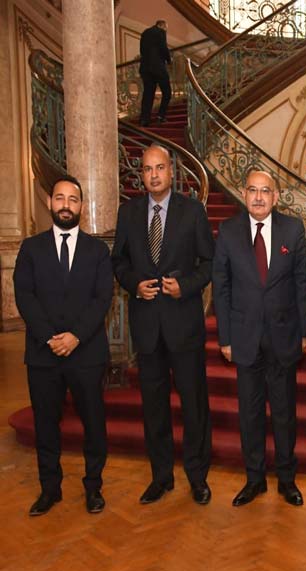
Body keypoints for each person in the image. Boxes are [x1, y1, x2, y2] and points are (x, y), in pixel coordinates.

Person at [111, 144, 214, 506]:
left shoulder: (193, 211)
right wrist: (132, 284)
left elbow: (209, 263)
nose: (154, 175)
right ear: (141, 175)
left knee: (193, 406)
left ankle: (198, 477)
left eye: (160, 168)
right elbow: (118, 262)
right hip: (147, 328)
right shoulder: (128, 213)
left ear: (172, 172)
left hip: (184, 325)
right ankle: (161, 477)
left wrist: (184, 286)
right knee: (153, 406)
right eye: (147, 170)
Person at [13, 175, 114, 516]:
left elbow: (103, 298)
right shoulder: (31, 248)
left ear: (81, 206)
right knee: (45, 424)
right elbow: (24, 296)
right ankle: (50, 489)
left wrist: (75, 337)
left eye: (73, 199)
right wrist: (49, 338)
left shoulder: (98, 251)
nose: (66, 205)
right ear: (50, 202)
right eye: (60, 198)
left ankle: (93, 488)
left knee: (94, 424)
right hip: (43, 354)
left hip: (86, 352)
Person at [212, 170, 306, 507]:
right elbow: (221, 288)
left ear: (276, 195)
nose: (258, 196)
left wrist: (303, 332)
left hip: (284, 337)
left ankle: (287, 479)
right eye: (252, 190)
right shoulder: (227, 232)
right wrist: (225, 337)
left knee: (284, 413)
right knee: (250, 414)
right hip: (243, 338)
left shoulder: (292, 229)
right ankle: (254, 479)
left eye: (265, 191)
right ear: (243, 192)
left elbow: (302, 285)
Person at [139, 20, 171, 127]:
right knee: (167, 92)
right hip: (158, 68)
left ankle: (144, 119)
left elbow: (142, 51)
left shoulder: (145, 32)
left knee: (148, 94)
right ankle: (160, 116)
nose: (166, 30)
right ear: (161, 25)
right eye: (166, 28)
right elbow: (163, 48)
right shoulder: (160, 32)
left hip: (145, 67)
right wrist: (169, 60)